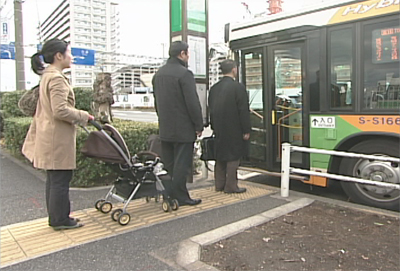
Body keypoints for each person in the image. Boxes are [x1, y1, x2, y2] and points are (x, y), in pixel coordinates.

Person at [22, 38, 94, 230]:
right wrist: (84, 115)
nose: (72, 57)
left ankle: (57, 217)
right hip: (57, 137)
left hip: (50, 134)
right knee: (60, 180)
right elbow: (60, 110)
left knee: (55, 180)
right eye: (69, 53)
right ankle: (61, 219)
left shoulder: (48, 75)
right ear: (59, 56)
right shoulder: (56, 78)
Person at [152, 41, 204, 206]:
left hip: (166, 127)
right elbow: (192, 102)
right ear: (182, 53)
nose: (188, 56)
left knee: (169, 165)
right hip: (183, 128)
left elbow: (157, 102)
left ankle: (169, 194)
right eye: (187, 53)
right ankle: (181, 196)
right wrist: (198, 125)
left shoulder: (158, 74)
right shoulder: (184, 74)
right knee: (182, 165)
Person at [208, 59, 251, 193]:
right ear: (234, 69)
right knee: (233, 157)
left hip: (219, 128)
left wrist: (214, 126)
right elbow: (243, 110)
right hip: (234, 128)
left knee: (220, 156)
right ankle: (231, 186)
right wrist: (246, 130)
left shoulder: (214, 88)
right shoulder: (238, 87)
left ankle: (219, 185)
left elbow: (211, 109)